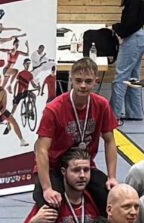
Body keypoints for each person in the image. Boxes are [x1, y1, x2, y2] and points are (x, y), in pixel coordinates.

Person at [36, 60, 119, 193]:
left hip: (83, 167)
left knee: (111, 195)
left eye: (88, 81)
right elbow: (41, 149)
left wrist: (112, 177)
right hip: (55, 167)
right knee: (50, 202)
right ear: (71, 79)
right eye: (78, 80)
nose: (83, 85)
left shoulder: (102, 105)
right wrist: (47, 188)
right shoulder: (53, 109)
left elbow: (110, 141)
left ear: (96, 81)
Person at [110, 0, 144, 124]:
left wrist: (116, 28)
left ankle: (113, 115)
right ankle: (134, 112)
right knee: (133, 77)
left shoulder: (134, 0)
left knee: (121, 77)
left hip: (133, 40)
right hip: (141, 37)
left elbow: (129, 26)